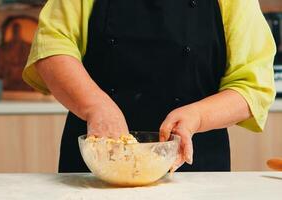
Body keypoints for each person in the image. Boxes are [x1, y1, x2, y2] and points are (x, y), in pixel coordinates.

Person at [23, 0, 276, 172]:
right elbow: (52, 47)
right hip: (94, 169)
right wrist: (96, 107)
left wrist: (197, 117)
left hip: (192, 171)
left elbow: (252, 86)